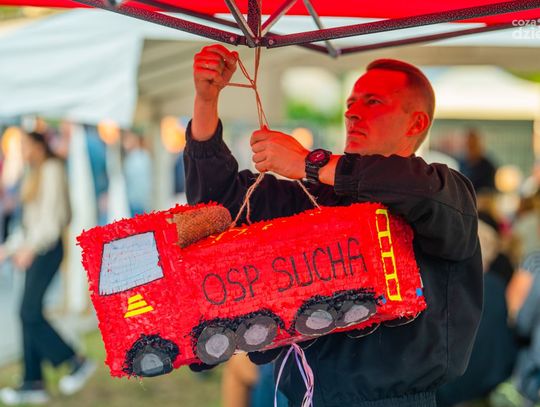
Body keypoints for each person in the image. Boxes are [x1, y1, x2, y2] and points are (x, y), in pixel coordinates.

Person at [185, 44, 482, 407]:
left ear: (416, 123)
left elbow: (413, 188)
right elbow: (220, 204)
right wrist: (206, 102)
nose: (352, 114)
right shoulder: (318, 198)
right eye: (350, 103)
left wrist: (309, 163)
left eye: (373, 102)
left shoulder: (445, 192)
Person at [0, 131, 96, 405]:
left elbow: (52, 220)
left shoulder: (52, 169)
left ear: (39, 146)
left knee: (28, 311)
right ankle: (33, 381)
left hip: (47, 248)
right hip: (35, 248)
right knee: (27, 313)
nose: (23, 151)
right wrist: (11, 248)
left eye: (26, 145)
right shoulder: (33, 172)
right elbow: (30, 222)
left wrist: (30, 249)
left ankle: (74, 360)